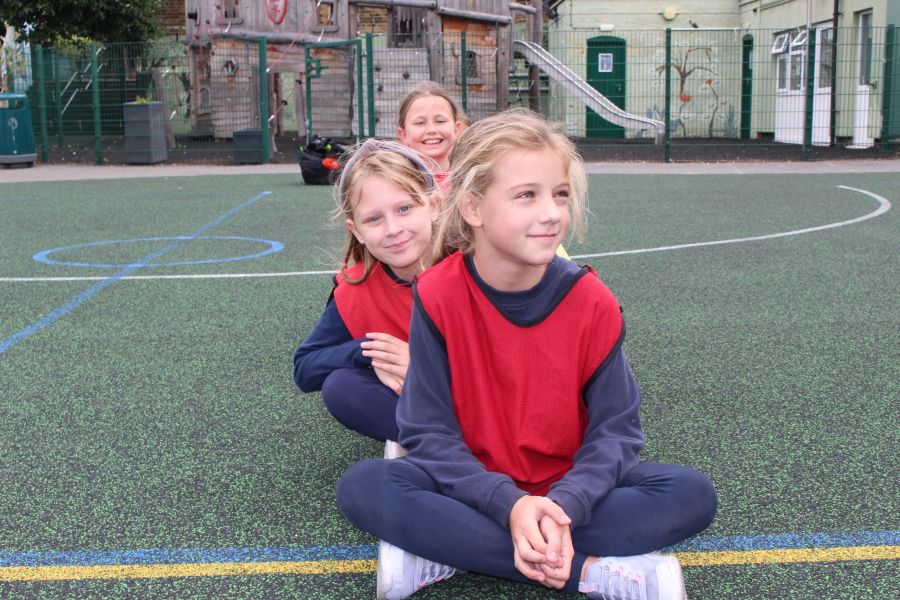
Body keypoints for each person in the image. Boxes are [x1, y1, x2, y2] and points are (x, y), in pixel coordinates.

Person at [336, 110, 718, 600]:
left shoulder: (592, 301)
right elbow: (427, 429)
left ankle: (449, 547)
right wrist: (508, 504)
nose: (552, 213)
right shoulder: (438, 294)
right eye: (526, 196)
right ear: (472, 207)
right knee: (365, 485)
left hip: (566, 483)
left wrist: (567, 503)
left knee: (690, 495)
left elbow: (616, 432)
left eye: (559, 194)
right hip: (472, 481)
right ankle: (589, 573)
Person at [293, 139, 439, 447]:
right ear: (356, 230)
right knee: (341, 386)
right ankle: (439, 447)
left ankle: (458, 450)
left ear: (434, 206)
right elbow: (305, 369)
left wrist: (424, 365)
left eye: (404, 209)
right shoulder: (357, 288)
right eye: (374, 219)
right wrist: (372, 352)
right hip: (435, 417)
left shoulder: (474, 268)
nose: (393, 229)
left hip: (487, 402)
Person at [396, 81, 465, 194]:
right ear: (403, 135)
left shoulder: (471, 180)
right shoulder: (396, 182)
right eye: (420, 123)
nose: (431, 130)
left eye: (440, 121)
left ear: (456, 129)